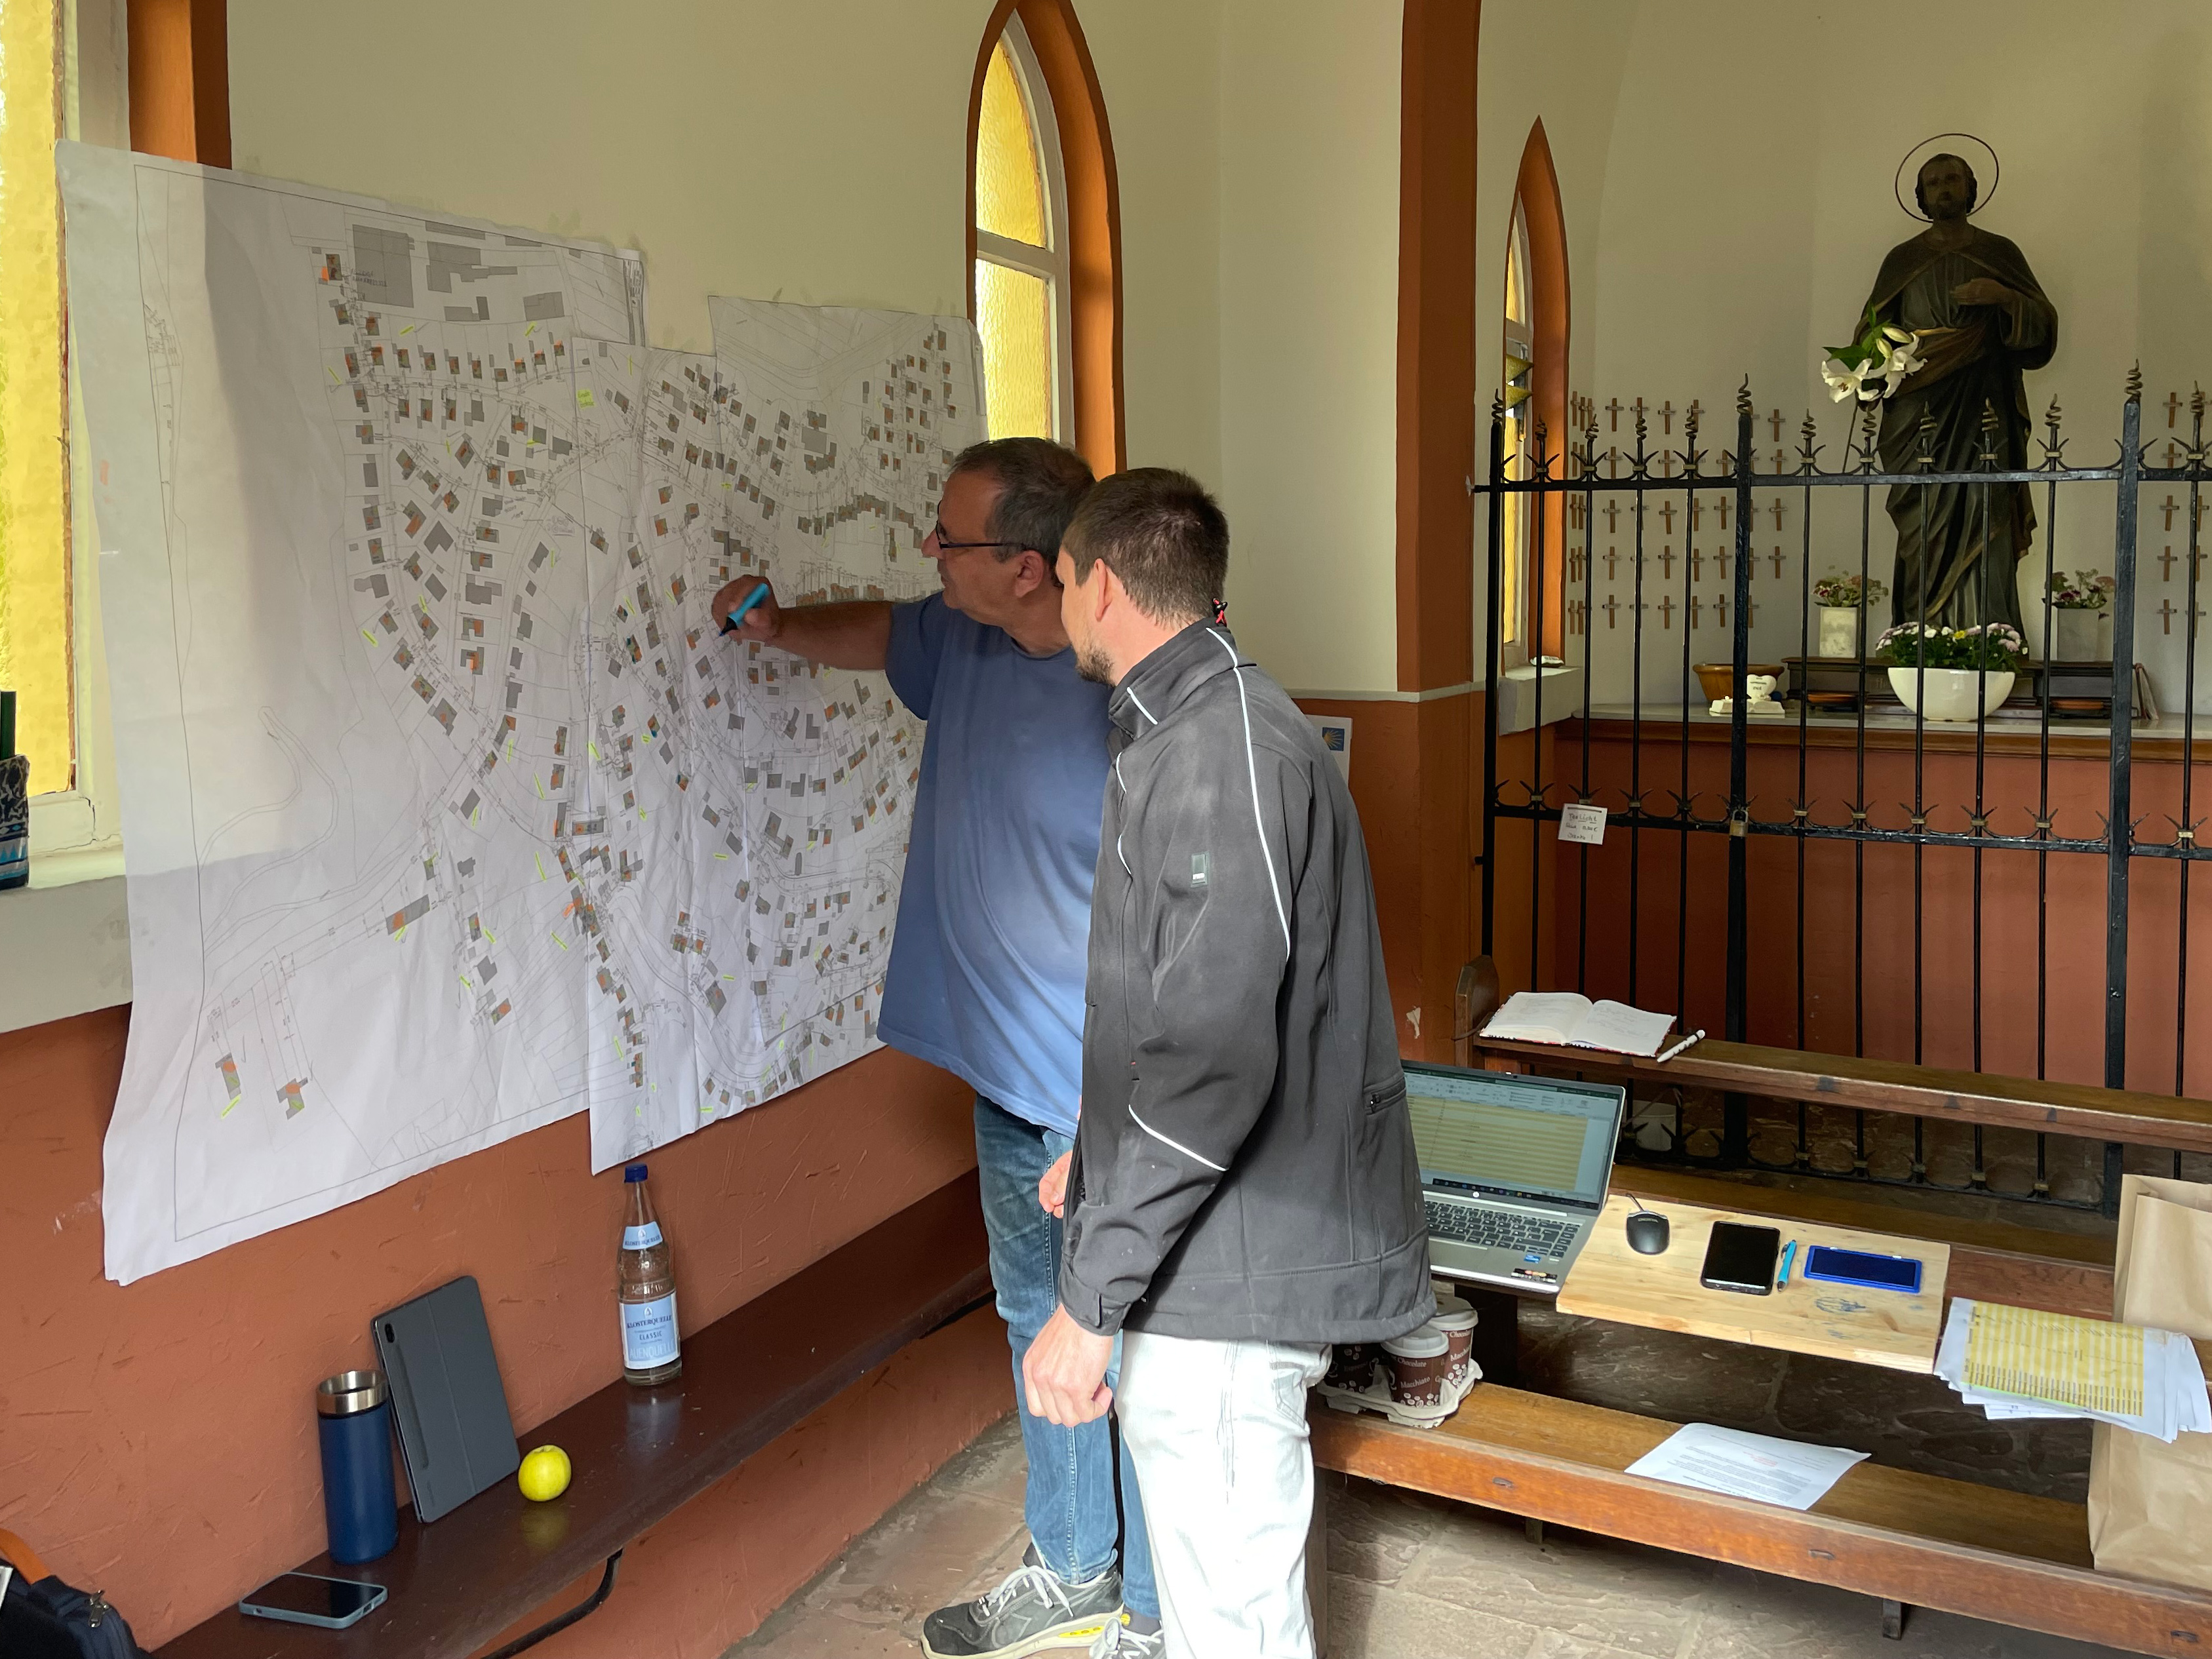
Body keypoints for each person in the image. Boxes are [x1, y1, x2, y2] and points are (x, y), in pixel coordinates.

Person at [710, 439, 1161, 1659]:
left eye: (950, 539)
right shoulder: (961, 638)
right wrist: (779, 627)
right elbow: (878, 631)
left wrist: (1118, 1114)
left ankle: (1160, 1614)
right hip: (1006, 1083)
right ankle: (1073, 1566)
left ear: (1028, 566)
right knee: (1033, 1326)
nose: (929, 554)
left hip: (1112, 1102)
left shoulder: (1134, 692)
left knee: (1136, 1352)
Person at [1023, 469, 1432, 1658]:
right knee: (1222, 1610)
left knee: (1234, 1626)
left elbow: (1209, 1061)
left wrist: (1088, 1301)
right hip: (1215, 1242)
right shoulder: (1191, 725)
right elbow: (1186, 1005)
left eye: (1061, 582)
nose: (1058, 605)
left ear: (1102, 586)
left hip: (1232, 1270)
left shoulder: (1217, 748)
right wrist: (1100, 1161)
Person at [1854, 151, 2057, 633]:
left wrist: (2004, 297)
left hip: (1984, 402)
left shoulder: (2000, 253)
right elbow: (1871, 334)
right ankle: (1917, 635)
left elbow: (2043, 329)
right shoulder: (1902, 259)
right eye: (1933, 183)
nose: (1944, 188)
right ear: (1921, 197)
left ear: (1970, 188)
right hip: (1917, 409)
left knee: (1986, 511)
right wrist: (1869, 372)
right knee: (1922, 522)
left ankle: (1992, 635)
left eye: (1952, 179)